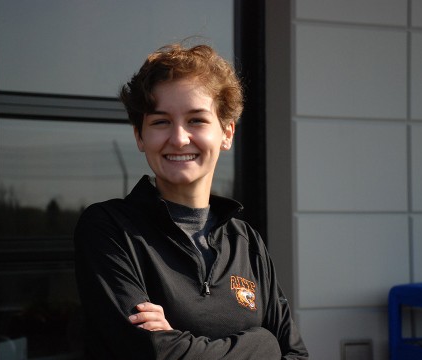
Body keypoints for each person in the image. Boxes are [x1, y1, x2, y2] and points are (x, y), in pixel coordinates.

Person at [74, 43, 308, 359]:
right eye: (160, 121)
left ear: (227, 133)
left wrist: (177, 340)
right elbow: (153, 354)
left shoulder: (246, 242)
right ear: (140, 136)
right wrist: (264, 344)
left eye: (196, 120)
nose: (180, 138)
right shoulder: (110, 229)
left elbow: (295, 354)